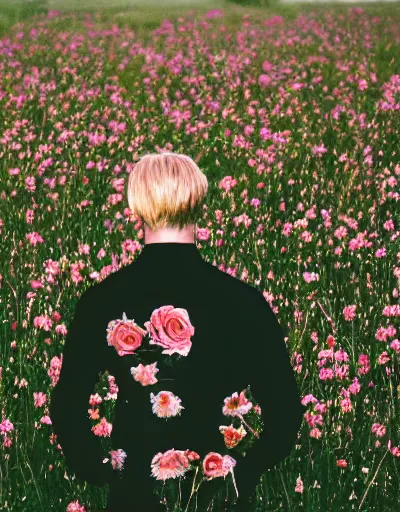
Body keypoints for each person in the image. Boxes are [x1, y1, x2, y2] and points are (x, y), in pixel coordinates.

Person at [49, 152, 304, 511]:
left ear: (136, 206)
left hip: (133, 496)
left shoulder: (103, 300)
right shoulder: (244, 302)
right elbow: (287, 413)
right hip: (220, 500)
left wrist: (100, 470)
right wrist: (243, 475)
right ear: (198, 202)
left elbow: (67, 404)